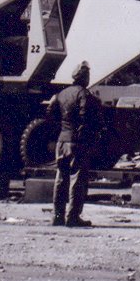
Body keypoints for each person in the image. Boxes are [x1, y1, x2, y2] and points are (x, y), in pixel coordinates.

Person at [47, 61, 92, 228]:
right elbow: (85, 116)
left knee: (61, 178)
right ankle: (72, 217)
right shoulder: (83, 94)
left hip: (62, 141)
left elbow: (50, 114)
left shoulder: (61, 94)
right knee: (76, 179)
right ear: (84, 77)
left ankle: (57, 216)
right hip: (76, 142)